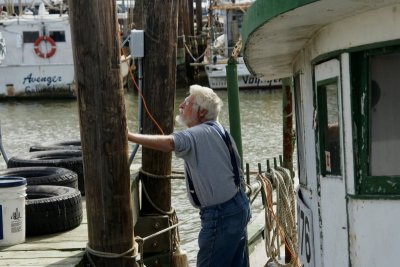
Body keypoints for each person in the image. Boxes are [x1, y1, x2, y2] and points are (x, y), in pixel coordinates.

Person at [127, 84, 251, 267]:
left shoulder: (197, 133)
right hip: (238, 206)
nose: (181, 105)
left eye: (188, 102)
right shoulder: (220, 131)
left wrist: (129, 136)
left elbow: (170, 142)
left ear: (201, 113)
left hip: (220, 215)